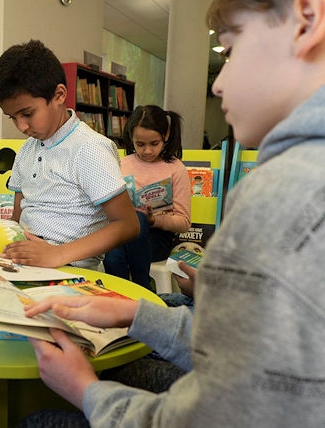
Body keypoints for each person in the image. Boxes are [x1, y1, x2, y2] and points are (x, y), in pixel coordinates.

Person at [20, 0, 325, 426]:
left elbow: (216, 414)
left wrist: (86, 391)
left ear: (307, 19)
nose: (218, 87)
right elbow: (249, 359)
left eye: (232, 51)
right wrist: (140, 314)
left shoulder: (283, 193)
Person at [0, 40, 139, 271]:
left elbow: (128, 225)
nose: (21, 126)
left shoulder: (89, 149)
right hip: (26, 266)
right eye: (12, 117)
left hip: (71, 270)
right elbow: (17, 221)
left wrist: (57, 254)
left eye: (27, 113)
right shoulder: (27, 149)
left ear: (58, 95)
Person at [104, 105, 191, 290]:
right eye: (140, 144)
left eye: (154, 143)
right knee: (113, 250)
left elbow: (184, 222)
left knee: (138, 221)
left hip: (156, 238)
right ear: (131, 139)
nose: (147, 151)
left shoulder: (175, 168)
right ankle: (135, 292)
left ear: (165, 136)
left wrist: (155, 220)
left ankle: (133, 290)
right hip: (123, 232)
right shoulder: (122, 164)